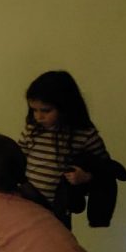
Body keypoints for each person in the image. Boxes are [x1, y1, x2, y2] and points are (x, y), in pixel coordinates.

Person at [18, 70, 112, 228]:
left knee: (55, 240)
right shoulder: (32, 130)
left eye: (46, 110)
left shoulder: (85, 135)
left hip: (58, 208)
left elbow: (105, 169)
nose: (39, 116)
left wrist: (86, 177)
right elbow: (18, 159)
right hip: (27, 200)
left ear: (65, 107)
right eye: (34, 110)